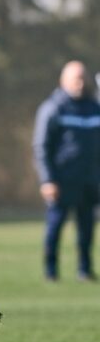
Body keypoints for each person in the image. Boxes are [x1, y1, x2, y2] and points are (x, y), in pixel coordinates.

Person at [33, 61, 100, 282]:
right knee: (55, 228)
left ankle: (85, 270)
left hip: (89, 181)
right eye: (75, 79)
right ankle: (51, 272)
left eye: (83, 78)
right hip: (62, 181)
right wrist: (47, 180)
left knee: (87, 230)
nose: (80, 84)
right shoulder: (53, 108)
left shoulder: (94, 107)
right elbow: (41, 146)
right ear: (63, 81)